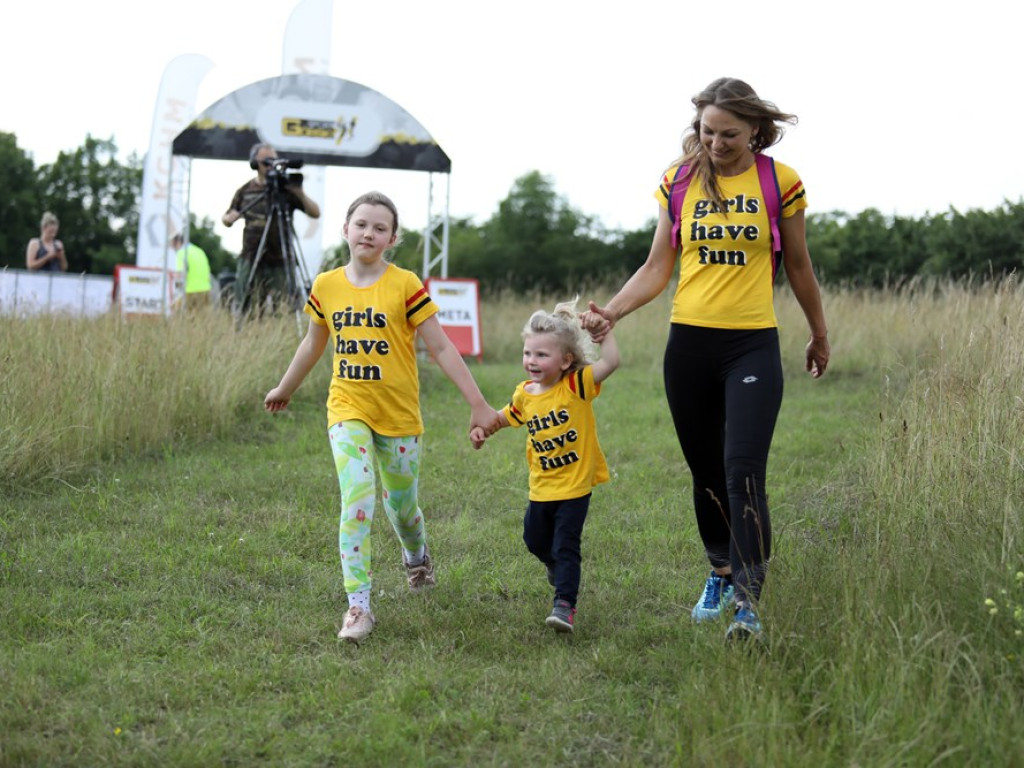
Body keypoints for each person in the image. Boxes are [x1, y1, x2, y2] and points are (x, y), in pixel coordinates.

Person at [584, 77, 830, 642]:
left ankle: (748, 601)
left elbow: (798, 265)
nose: (716, 144)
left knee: (745, 470)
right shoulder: (678, 180)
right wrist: (613, 312)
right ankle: (720, 571)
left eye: (729, 135)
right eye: (707, 132)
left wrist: (819, 333)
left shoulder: (779, 182)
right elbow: (655, 267)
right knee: (707, 473)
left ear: (755, 131)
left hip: (751, 343)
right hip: (689, 346)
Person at [264, 191, 501, 644]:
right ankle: (359, 606)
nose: (368, 233)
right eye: (361, 224)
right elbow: (313, 343)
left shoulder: (405, 283)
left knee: (403, 508)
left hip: (399, 416)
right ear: (346, 230)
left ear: (392, 238)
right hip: (347, 409)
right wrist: (285, 387)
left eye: (379, 227)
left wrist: (477, 403)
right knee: (357, 498)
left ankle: (417, 557)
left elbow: (442, 346)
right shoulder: (327, 285)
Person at [470, 298, 619, 634]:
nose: (532, 361)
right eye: (528, 353)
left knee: (567, 544)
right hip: (541, 486)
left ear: (566, 360)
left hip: (575, 487)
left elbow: (611, 361)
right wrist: (484, 429)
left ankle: (564, 604)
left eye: (541, 355)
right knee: (535, 540)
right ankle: (553, 565)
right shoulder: (526, 393)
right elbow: (507, 416)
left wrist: (604, 332)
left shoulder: (576, 385)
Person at [222, 142, 320, 315]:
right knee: (248, 307)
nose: (270, 166)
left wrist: (298, 192)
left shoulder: (287, 191)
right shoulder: (245, 191)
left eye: (274, 161)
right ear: (254, 164)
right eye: (266, 161)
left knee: (285, 308)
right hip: (252, 257)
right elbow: (226, 218)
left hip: (281, 259)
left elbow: (315, 212)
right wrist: (230, 218)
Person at [171, 233, 212, 308]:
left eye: (173, 245)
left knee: (175, 311)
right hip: (206, 290)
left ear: (178, 242)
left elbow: (180, 274)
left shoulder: (182, 252)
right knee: (203, 318)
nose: (173, 248)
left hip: (191, 290)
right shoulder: (199, 251)